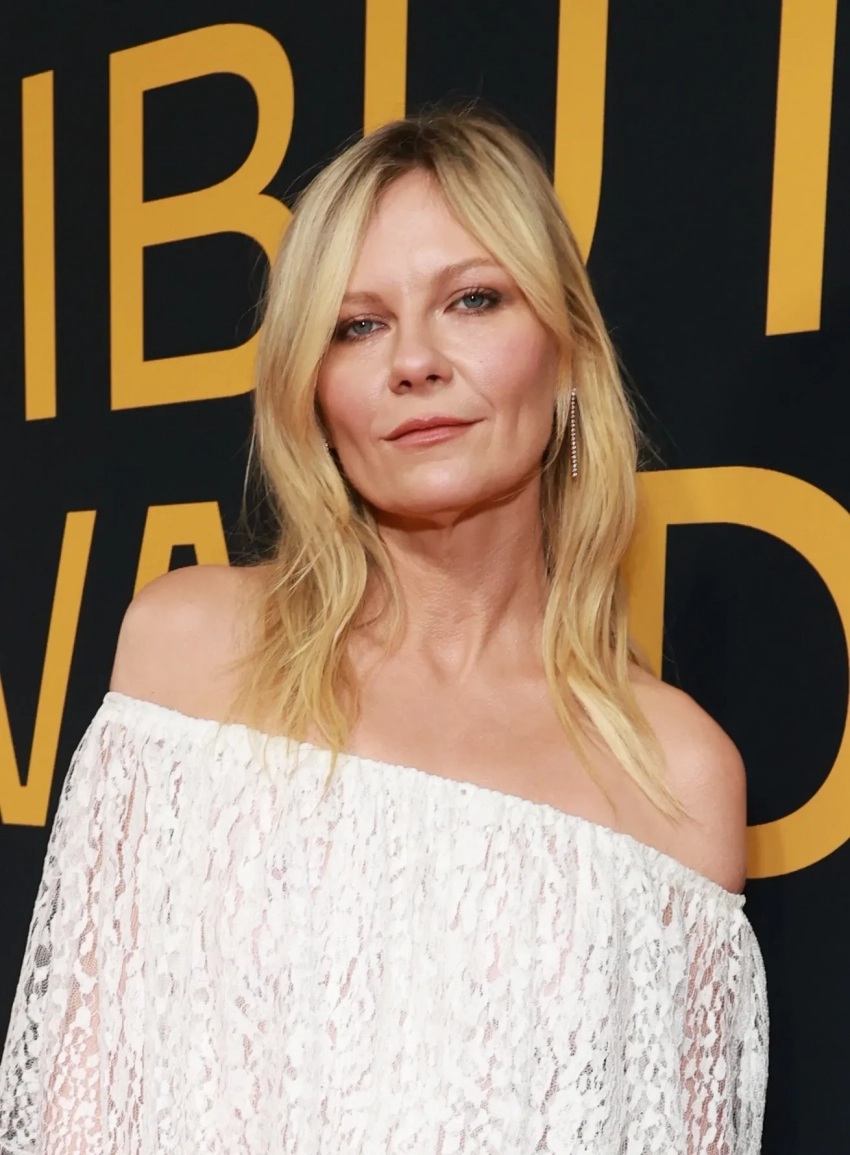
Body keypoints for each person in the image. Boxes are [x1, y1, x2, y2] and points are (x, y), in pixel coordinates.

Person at [0, 110, 767, 1154]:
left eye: (472, 300)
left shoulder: (676, 774)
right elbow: (77, 1110)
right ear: (314, 392)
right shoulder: (192, 655)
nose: (413, 361)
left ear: (568, 354)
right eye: (357, 325)